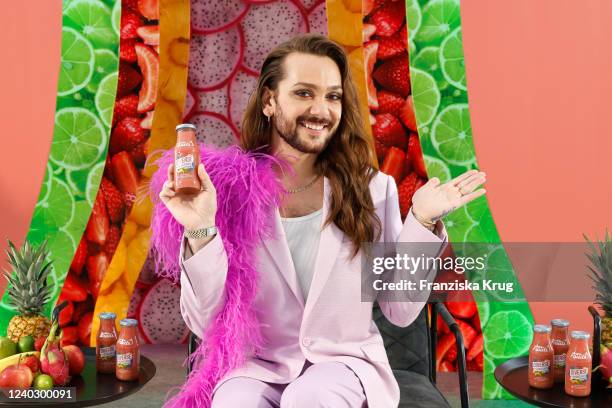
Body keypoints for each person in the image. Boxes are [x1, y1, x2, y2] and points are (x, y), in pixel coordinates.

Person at [159, 34, 486, 408]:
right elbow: (206, 323)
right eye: (303, 93)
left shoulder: (374, 190)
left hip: (343, 366)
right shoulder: (228, 193)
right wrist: (201, 228)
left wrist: (423, 221)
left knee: (309, 396)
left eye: (332, 96)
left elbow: (400, 307)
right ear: (269, 100)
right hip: (258, 366)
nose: (321, 109)